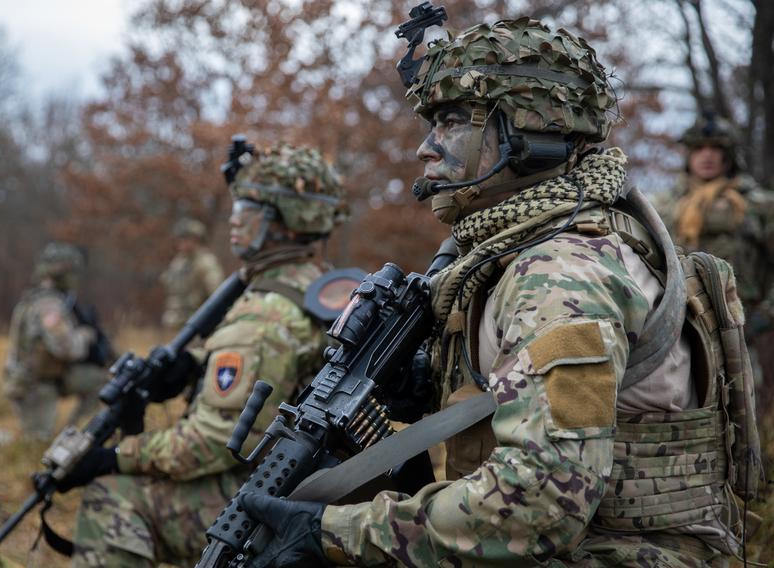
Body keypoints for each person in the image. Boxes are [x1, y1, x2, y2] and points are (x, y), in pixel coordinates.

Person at [238, 17, 758, 567]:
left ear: (530, 133)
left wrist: (334, 531)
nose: (425, 149)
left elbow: (537, 505)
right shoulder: (520, 251)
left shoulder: (561, 274)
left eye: (454, 120)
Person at [60, 142, 348, 567]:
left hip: (264, 501)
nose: (234, 221)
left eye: (247, 208)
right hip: (313, 487)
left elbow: (213, 444)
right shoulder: (318, 286)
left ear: (285, 220)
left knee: (112, 498)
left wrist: (116, 457)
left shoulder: (261, 317)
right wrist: (197, 367)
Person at [0, 242, 110, 454]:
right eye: (73, 272)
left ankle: (78, 435)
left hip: (50, 377)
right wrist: (86, 336)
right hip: (33, 385)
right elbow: (65, 348)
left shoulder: (47, 299)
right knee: (34, 448)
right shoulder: (48, 305)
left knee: (102, 382)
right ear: (65, 273)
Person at [655, 112, 774, 391]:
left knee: (743, 407)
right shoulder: (664, 206)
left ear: (728, 155)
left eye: (716, 149)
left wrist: (766, 315)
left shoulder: (756, 206)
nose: (707, 156)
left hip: (740, 331)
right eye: (699, 148)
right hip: (677, 330)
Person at [160, 218, 225, 329]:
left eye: (186, 238)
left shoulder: (206, 263)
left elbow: (218, 295)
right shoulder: (179, 262)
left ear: (196, 240)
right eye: (180, 239)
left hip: (199, 323)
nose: (181, 243)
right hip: (177, 322)